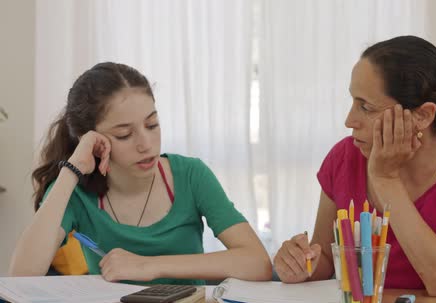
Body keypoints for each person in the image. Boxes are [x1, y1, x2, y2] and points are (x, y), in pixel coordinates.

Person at [273, 35, 436, 296]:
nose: (349, 120)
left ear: (422, 115)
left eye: (365, 107)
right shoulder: (344, 156)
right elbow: (327, 261)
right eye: (353, 102)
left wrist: (385, 178)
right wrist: (302, 264)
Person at [9, 62, 272, 285]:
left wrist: (150, 266)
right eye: (124, 134)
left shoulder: (191, 175)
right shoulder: (75, 191)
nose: (146, 144)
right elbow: (22, 276)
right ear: (91, 139)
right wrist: (71, 170)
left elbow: (257, 263)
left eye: (152, 124)